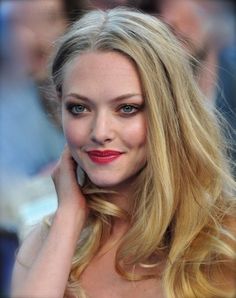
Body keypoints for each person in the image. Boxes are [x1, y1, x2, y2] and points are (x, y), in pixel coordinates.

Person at [11, 8, 236, 298]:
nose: (100, 131)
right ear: (60, 109)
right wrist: (68, 216)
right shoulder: (41, 244)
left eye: (127, 108)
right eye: (79, 108)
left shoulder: (227, 235)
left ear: (170, 113)